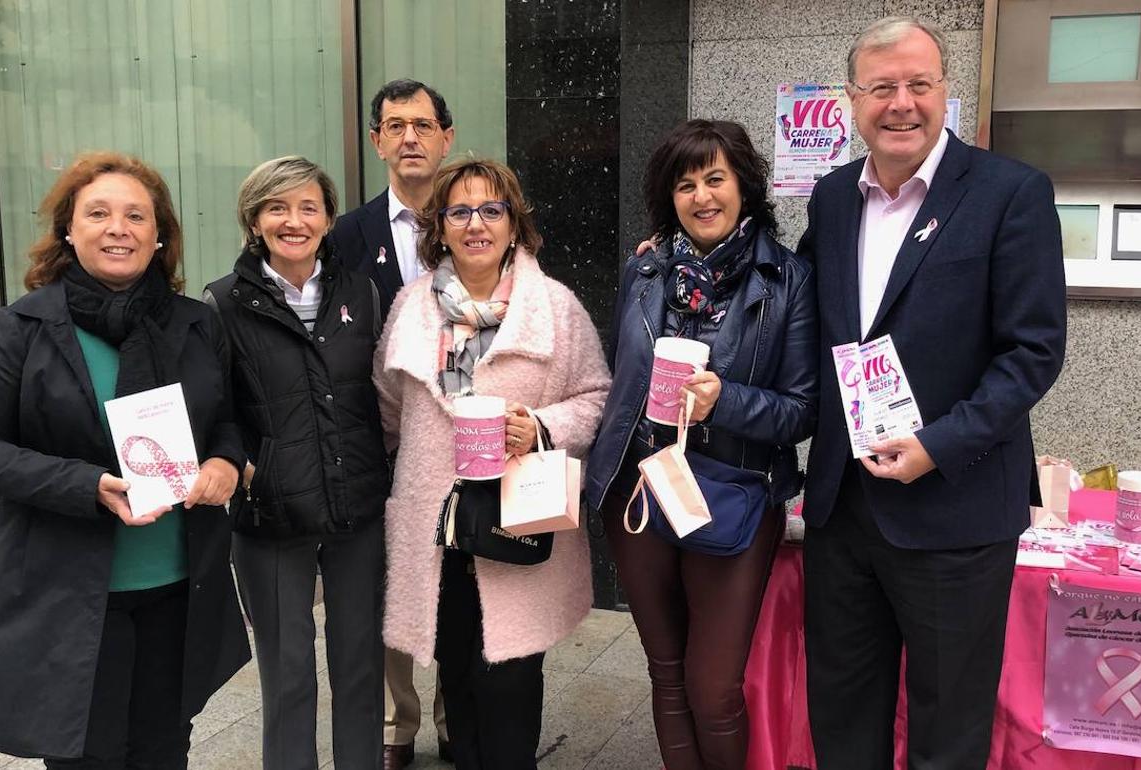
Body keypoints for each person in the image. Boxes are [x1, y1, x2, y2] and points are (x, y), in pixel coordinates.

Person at [797, 16, 1067, 770]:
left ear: (946, 90)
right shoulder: (830, 198)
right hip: (844, 510)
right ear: (853, 100)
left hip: (957, 512)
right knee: (844, 718)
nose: (901, 103)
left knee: (948, 732)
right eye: (882, 87)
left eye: (919, 83)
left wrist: (937, 446)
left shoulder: (1010, 193)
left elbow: (1034, 351)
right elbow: (793, 306)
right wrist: (678, 252)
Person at [0, 151, 250, 767]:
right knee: (90, 753)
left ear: (159, 235)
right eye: (99, 213)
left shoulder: (194, 325)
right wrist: (85, 484)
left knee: (164, 748)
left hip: (178, 584)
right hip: (72, 590)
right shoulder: (23, 328)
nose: (119, 228)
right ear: (68, 230)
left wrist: (224, 462)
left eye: (137, 215)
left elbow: (226, 420)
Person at [585, 119, 818, 770]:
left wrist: (726, 400)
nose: (702, 196)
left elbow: (804, 410)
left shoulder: (788, 280)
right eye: (685, 184)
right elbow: (620, 376)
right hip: (640, 489)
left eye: (715, 178)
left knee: (713, 687)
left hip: (736, 495)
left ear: (743, 184)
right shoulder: (647, 270)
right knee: (665, 671)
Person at [374, 157, 610, 770]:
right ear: (441, 226)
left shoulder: (553, 305)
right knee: (457, 675)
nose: (475, 224)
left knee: (507, 683)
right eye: (460, 211)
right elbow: (386, 409)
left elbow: (598, 397)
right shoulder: (411, 305)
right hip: (438, 529)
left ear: (512, 223)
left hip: (517, 520)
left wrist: (541, 426)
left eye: (491, 209)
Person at [204, 156, 391, 770]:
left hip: (356, 506)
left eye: (308, 207)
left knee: (360, 666)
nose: (294, 220)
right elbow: (215, 410)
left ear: (329, 218)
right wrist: (245, 466)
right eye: (276, 208)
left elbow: (378, 393)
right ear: (254, 221)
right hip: (271, 513)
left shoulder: (360, 292)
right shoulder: (222, 303)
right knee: (286, 675)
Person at [330, 78, 455, 768]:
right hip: (376, 439)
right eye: (395, 125)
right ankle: (395, 725)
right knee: (391, 582)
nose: (410, 137)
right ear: (377, 141)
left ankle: (455, 712)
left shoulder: (480, 215)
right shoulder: (347, 234)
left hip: (466, 439)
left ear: (446, 138)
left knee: (463, 579)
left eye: (422, 124)